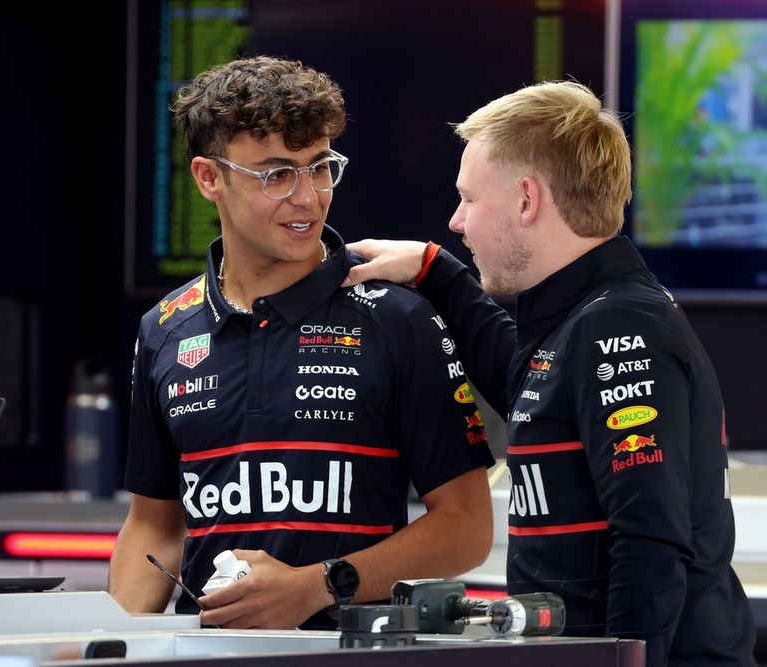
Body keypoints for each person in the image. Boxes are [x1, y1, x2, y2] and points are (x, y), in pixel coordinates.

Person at [344, 81, 755, 665]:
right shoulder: (584, 318)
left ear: (526, 200)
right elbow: (524, 385)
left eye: (468, 199)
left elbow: (650, 542)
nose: (457, 222)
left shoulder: (616, 324)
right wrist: (437, 272)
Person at [109, 56, 494, 630]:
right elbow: (152, 525)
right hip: (204, 652)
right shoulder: (163, 329)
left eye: (320, 168)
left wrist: (317, 586)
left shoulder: (399, 318)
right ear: (209, 178)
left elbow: (467, 527)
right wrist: (114, 643)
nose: (308, 197)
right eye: (276, 175)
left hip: (353, 653)